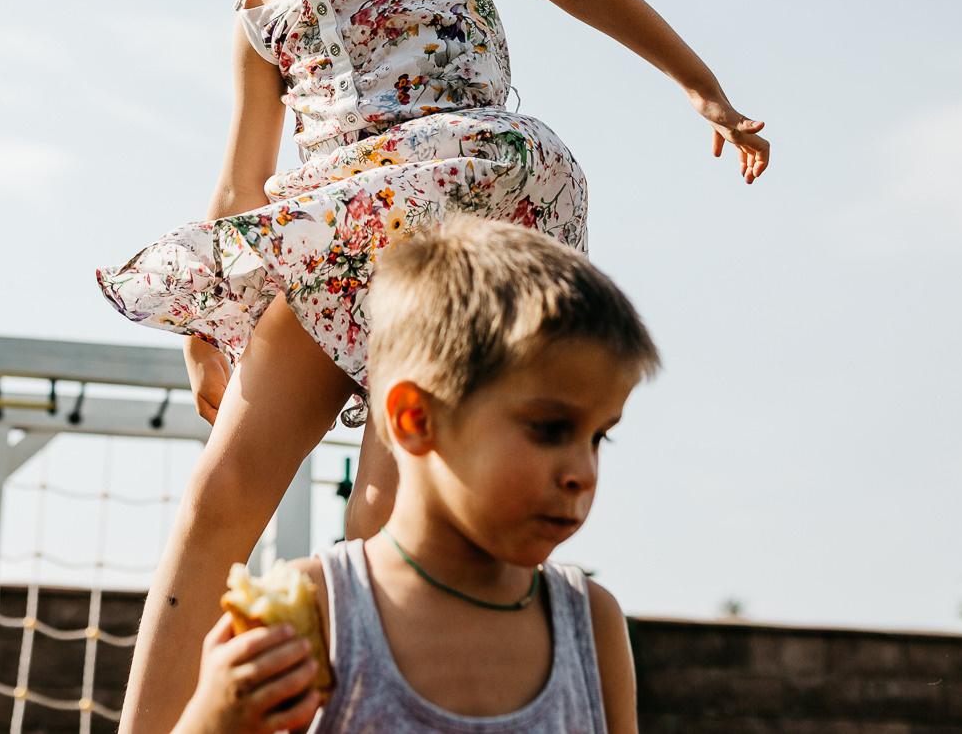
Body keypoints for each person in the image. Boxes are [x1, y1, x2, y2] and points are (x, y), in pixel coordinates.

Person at [96, 0, 767, 733]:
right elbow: (241, 188)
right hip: (332, 243)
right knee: (217, 499)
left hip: (454, 225)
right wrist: (211, 330)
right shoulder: (261, 12)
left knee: (386, 526)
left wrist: (699, 83)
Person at [174, 217, 660, 734]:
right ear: (415, 419)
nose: (583, 473)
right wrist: (213, 718)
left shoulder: (590, 626)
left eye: (599, 437)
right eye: (549, 429)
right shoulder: (316, 611)